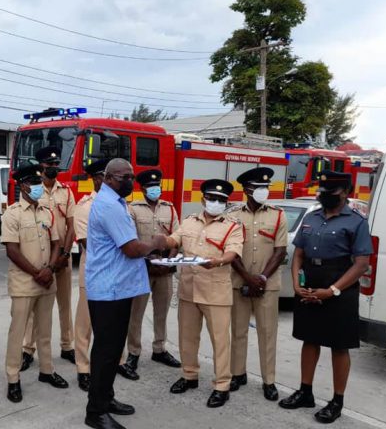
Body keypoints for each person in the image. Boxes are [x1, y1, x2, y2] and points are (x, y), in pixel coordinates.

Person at [84, 158, 169, 429]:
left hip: (118, 288)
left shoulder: (117, 202)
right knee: (106, 353)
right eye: (125, 178)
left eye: (132, 177)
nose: (131, 182)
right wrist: (155, 244)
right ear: (108, 178)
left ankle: (106, 398)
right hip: (108, 291)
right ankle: (95, 412)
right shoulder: (109, 206)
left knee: (112, 350)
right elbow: (131, 248)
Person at [279, 171, 372, 424]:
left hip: (340, 284)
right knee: (309, 339)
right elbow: (298, 253)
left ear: (345, 192)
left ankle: (336, 401)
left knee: (339, 346)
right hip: (310, 281)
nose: (324, 196)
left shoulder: (356, 222)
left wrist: (332, 290)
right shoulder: (312, 217)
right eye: (322, 192)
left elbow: (361, 264)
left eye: (330, 192)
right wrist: (298, 282)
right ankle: (305, 392)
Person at [165, 179, 243, 408]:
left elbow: (233, 252)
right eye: (212, 198)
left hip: (216, 291)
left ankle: (222, 385)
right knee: (187, 337)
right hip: (189, 289)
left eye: (221, 200)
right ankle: (189, 375)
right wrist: (161, 241)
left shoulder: (233, 226)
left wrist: (218, 261)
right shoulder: (189, 222)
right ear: (203, 199)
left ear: (226, 203)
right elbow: (175, 239)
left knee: (220, 341)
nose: (216, 203)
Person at [1, 164, 69, 403]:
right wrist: (36, 273)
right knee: (17, 332)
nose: (39, 186)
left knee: (45, 329)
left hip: (46, 281)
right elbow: (12, 250)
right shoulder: (12, 213)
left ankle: (47, 370)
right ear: (22, 185)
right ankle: (13, 377)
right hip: (24, 283)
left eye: (40, 181)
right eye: (34, 182)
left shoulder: (46, 212)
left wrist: (49, 269)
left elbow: (57, 244)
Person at [229, 167, 288, 401]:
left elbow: (280, 251)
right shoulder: (233, 215)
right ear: (246, 190)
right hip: (238, 282)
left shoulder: (278, 215)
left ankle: (268, 380)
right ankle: (237, 373)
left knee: (267, 333)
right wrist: (247, 277)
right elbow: (230, 250)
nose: (264, 191)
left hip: (267, 285)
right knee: (239, 331)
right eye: (258, 188)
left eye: (266, 188)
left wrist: (261, 278)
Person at [118, 169, 181, 381]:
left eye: (158, 185)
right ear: (142, 188)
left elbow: (177, 238)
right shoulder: (132, 209)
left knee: (161, 312)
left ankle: (159, 349)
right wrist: (148, 263)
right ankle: (133, 353)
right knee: (136, 313)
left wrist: (168, 261)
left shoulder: (170, 209)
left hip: (164, 269)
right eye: (151, 186)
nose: (155, 189)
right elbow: (130, 240)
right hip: (140, 269)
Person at [21, 147, 77, 370]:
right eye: (49, 164)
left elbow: (71, 225)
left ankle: (67, 346)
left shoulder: (66, 192)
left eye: (56, 164)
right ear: (41, 165)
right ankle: (27, 349)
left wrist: (64, 253)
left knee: (65, 304)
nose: (53, 168)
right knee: (36, 307)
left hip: (62, 257)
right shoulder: (33, 190)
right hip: (41, 258)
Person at [73, 158, 109, 392]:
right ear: (95, 179)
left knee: (111, 324)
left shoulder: (120, 204)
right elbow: (88, 243)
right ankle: (83, 368)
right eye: (104, 176)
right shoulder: (85, 207)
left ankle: (117, 362)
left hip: (116, 274)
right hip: (94, 272)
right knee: (85, 324)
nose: (107, 180)